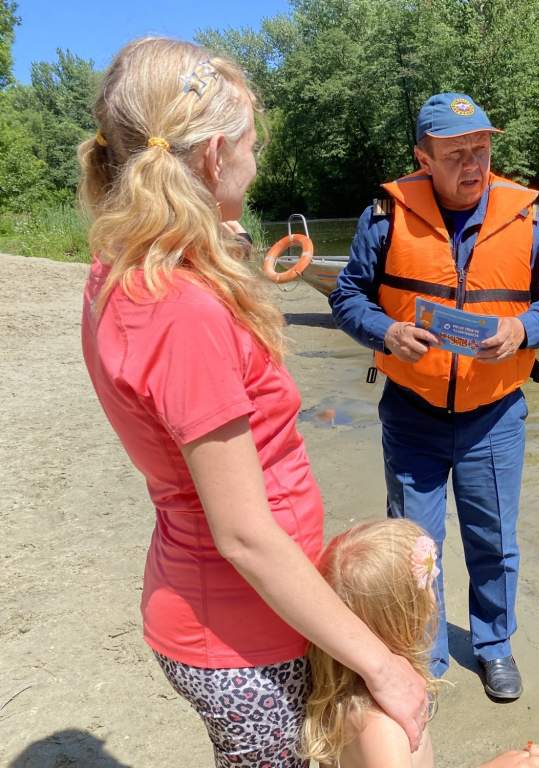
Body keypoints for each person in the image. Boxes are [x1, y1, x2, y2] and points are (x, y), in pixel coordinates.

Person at [78, 37, 427, 767]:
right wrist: (385, 665)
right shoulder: (182, 310)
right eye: (251, 143)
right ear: (212, 160)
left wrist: (214, 242)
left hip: (210, 600)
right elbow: (244, 535)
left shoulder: (128, 267)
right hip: (240, 631)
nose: (257, 159)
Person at [330, 92, 539, 699]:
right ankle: (426, 652)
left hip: (494, 416)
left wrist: (520, 329)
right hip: (412, 415)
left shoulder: (526, 217)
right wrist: (384, 331)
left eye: (482, 148)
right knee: (415, 547)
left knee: (494, 541)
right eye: (457, 152)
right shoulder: (384, 217)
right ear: (423, 158)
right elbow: (346, 296)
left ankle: (494, 646)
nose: (474, 163)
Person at [302, 519, 539, 768]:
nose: (433, 596)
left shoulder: (357, 685)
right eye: (428, 583)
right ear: (406, 616)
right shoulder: (381, 728)